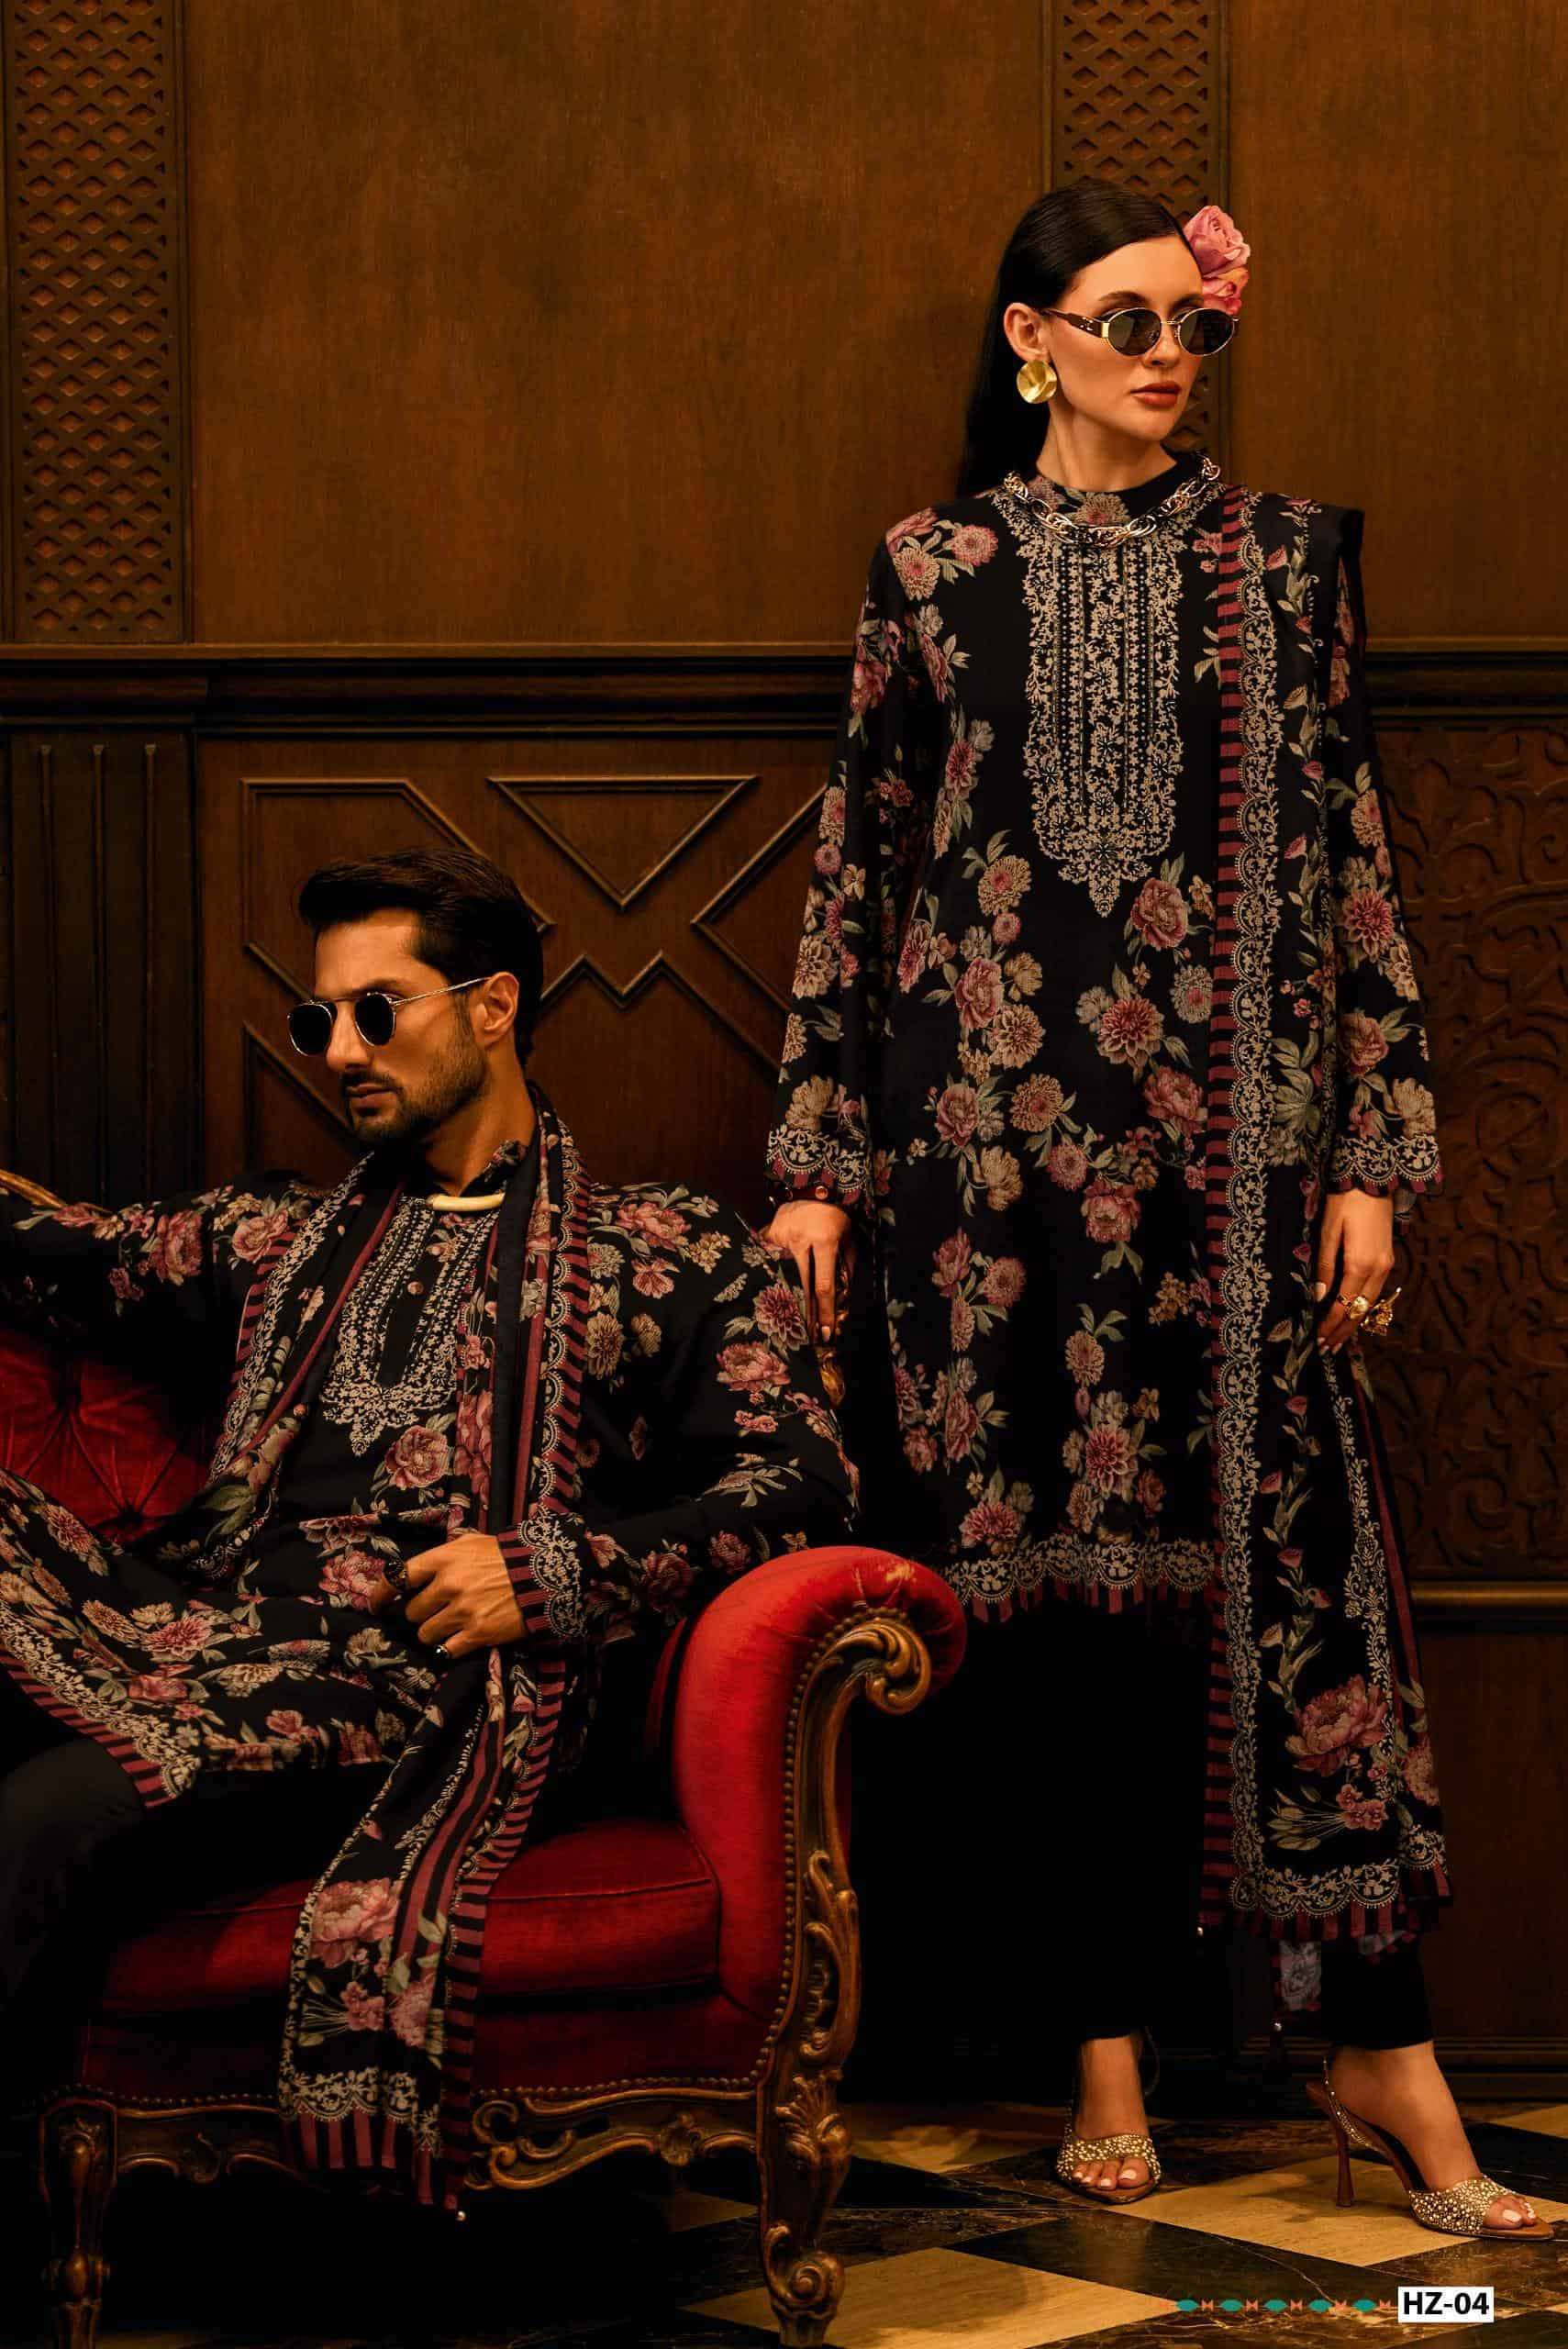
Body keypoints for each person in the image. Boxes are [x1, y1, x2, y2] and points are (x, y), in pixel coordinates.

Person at [762, 182, 1542, 2237]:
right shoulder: (932, 570)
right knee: (1040, 1612)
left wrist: (1374, 1152)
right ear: (1030, 336)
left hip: (1233, 1166)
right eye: (1127, 319)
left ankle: (1378, 2042)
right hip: (983, 1174)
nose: (1170, 354)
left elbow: (1352, 849)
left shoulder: (1279, 561)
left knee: (1292, 1578)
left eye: (1197, 323)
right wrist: (819, 1166)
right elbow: (863, 867)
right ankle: (1097, 2035)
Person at [0, 845, 854, 2209]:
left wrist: (552, 1572)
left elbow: (803, 1486)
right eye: (318, 1020)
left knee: (49, 1815)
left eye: (376, 1012)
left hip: (419, 1697)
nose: (340, 1051)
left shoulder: (665, 1251)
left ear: (494, 1006)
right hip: (196, 1639)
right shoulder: (274, 1239)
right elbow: (57, 1254)